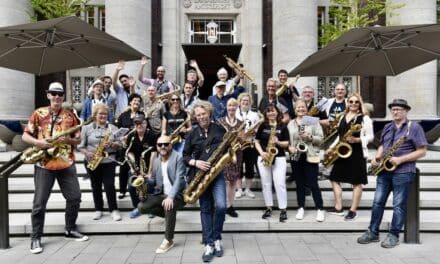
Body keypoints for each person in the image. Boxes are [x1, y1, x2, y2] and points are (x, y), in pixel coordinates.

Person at [22, 82, 88, 254]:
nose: (57, 96)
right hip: (44, 164)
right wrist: (38, 142)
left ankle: (70, 229)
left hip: (66, 163)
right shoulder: (38, 113)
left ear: (63, 96)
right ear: (48, 95)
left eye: (60, 94)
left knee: (75, 197)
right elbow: (25, 136)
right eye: (54, 93)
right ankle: (35, 237)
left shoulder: (70, 116)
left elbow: (78, 139)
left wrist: (69, 141)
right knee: (39, 204)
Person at [357, 99, 427, 248]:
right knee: (377, 203)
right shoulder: (388, 126)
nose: (395, 112)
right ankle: (373, 232)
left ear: (406, 111)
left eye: (399, 109)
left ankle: (393, 235)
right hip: (384, 170)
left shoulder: (414, 128)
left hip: (403, 172)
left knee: (398, 205)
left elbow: (422, 151)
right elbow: (383, 145)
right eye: (393, 109)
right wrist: (377, 157)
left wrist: (401, 159)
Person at [182, 100, 226, 262]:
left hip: (217, 174)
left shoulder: (220, 129)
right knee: (206, 209)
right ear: (195, 117)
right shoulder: (192, 134)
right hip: (200, 176)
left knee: (221, 206)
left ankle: (216, 238)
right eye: (198, 115)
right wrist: (196, 162)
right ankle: (209, 243)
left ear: (209, 113)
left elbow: (227, 147)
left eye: (204, 114)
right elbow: (185, 156)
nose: (201, 117)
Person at [327, 94, 374, 220]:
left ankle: (353, 210)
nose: (353, 104)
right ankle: (338, 207)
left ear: (360, 104)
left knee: (357, 182)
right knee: (334, 177)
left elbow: (370, 137)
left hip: (357, 153)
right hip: (341, 152)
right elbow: (340, 136)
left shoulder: (365, 119)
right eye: (351, 101)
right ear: (347, 103)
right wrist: (331, 148)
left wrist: (357, 139)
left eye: (356, 102)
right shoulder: (343, 116)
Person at [137, 135, 186, 253]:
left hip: (177, 195)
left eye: (166, 144)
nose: (163, 147)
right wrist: (145, 180)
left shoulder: (178, 158)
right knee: (141, 207)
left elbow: (179, 180)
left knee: (169, 205)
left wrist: (170, 197)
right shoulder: (156, 161)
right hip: (161, 194)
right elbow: (154, 180)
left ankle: (168, 240)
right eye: (160, 145)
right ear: (157, 147)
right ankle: (170, 216)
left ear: (171, 145)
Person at [78, 104, 122, 221]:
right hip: (92, 161)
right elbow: (80, 147)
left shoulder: (113, 128)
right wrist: (87, 153)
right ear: (95, 115)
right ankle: (98, 209)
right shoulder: (86, 128)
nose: (103, 116)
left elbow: (121, 145)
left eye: (105, 114)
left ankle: (113, 209)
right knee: (95, 186)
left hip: (109, 161)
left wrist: (112, 144)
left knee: (109, 185)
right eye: (100, 114)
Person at [287, 99, 325, 222]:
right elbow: (287, 141)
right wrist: (289, 147)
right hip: (296, 156)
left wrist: (310, 137)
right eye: (298, 107)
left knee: (313, 183)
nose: (301, 109)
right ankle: (301, 207)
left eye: (303, 107)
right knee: (300, 184)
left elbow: (321, 139)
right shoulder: (291, 123)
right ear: (295, 109)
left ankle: (320, 208)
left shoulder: (312, 121)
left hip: (311, 155)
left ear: (306, 108)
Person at [254, 104, 290, 222]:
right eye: (268, 111)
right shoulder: (262, 126)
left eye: (273, 111)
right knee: (266, 184)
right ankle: (268, 207)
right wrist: (261, 153)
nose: (271, 113)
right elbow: (257, 141)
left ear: (277, 113)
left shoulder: (283, 126)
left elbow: (287, 144)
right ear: (266, 114)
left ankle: (283, 209)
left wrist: (278, 142)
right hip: (264, 157)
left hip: (279, 158)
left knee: (280, 184)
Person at [125, 114, 158, 218]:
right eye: (136, 123)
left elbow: (154, 153)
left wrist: (149, 172)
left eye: (141, 123)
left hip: (150, 166)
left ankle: (151, 208)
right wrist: (132, 165)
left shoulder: (152, 135)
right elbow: (129, 151)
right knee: (131, 185)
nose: (139, 125)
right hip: (137, 167)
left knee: (151, 183)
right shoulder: (131, 135)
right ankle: (138, 207)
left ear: (146, 123)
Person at [114, 93, 144, 199]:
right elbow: (117, 130)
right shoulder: (123, 115)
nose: (136, 102)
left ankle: (137, 189)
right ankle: (122, 190)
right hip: (125, 146)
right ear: (130, 102)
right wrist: (121, 138)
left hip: (137, 146)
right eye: (134, 100)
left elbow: (144, 128)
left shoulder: (142, 114)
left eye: (138, 101)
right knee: (123, 169)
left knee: (137, 168)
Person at [218, 98, 243, 217]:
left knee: (233, 181)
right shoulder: (220, 121)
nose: (231, 108)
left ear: (237, 107)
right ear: (226, 107)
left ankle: (230, 206)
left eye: (234, 106)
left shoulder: (240, 122)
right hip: (224, 154)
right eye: (229, 106)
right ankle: (222, 205)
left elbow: (243, 139)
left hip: (236, 154)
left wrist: (242, 138)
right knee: (224, 181)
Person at [235, 93, 260, 199]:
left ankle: (248, 189)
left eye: (247, 101)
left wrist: (254, 131)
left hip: (250, 143)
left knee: (250, 167)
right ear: (239, 102)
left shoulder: (254, 115)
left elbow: (258, 128)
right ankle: (239, 189)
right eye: (243, 100)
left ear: (250, 103)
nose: (245, 102)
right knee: (238, 167)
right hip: (238, 144)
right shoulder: (235, 113)